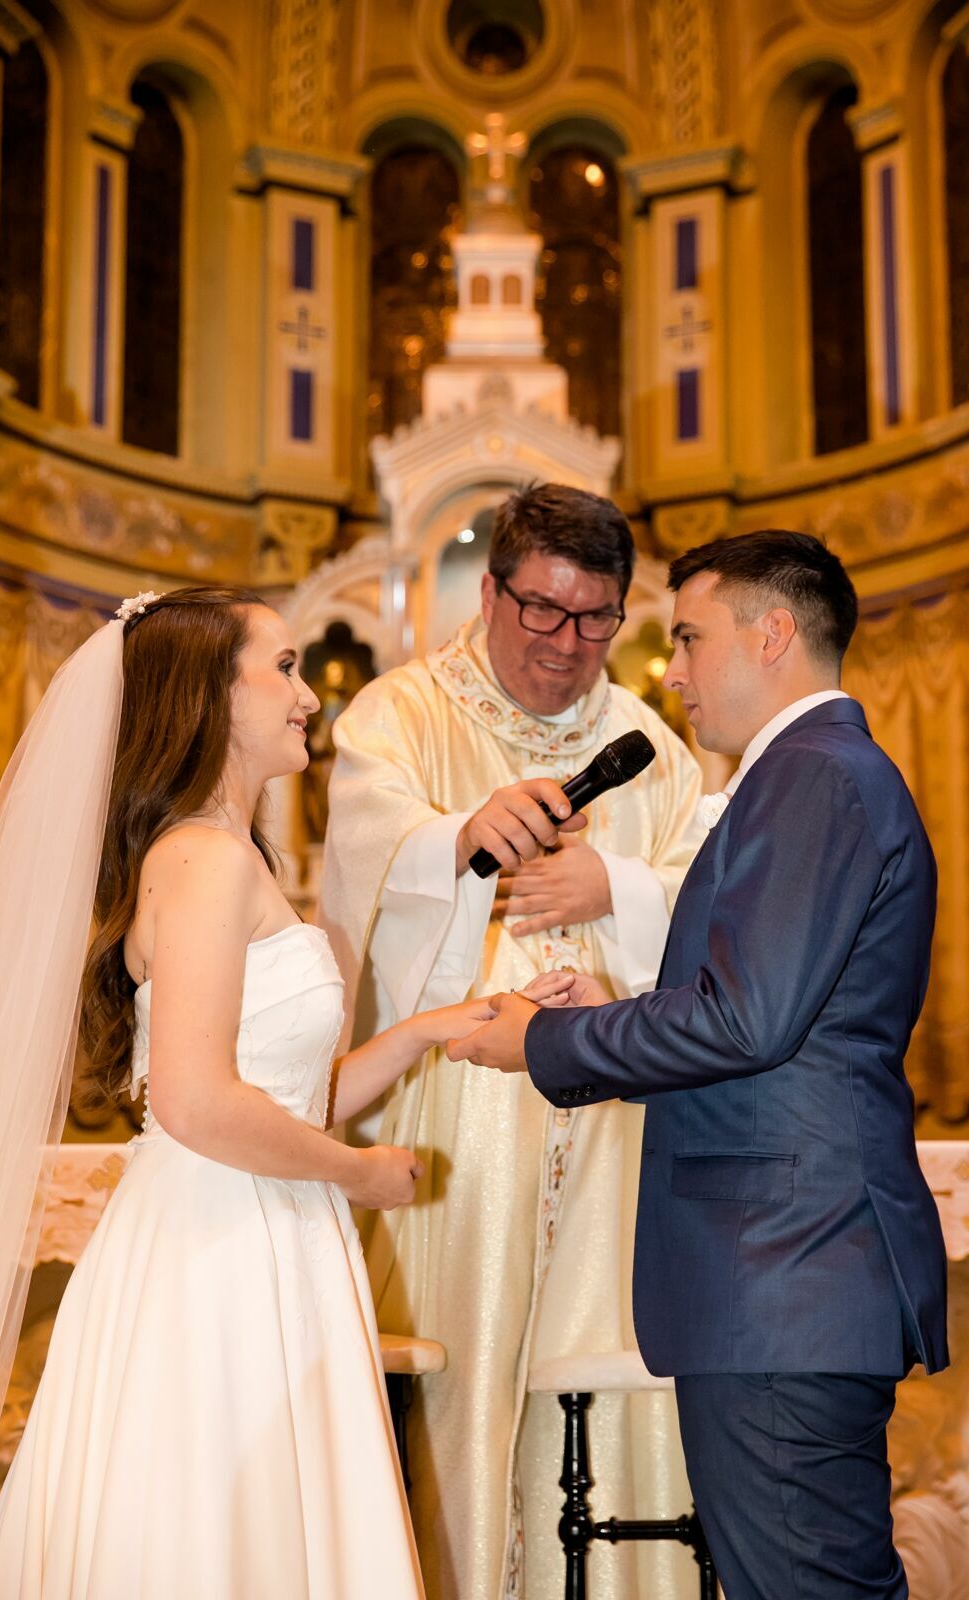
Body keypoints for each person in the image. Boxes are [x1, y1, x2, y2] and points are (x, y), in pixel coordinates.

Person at [0, 584, 566, 1598]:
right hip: (217, 1246)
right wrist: (359, 1172)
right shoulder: (201, 859)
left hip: (254, 1219)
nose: (308, 697)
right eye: (281, 668)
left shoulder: (223, 853)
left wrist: (428, 1029)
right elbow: (197, 1103)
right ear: (208, 693)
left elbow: (278, 1095)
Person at [450, 530, 950, 1600]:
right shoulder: (812, 775)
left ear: (771, 633)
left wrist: (537, 1043)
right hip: (782, 1273)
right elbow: (769, 1023)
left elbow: (746, 1022)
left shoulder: (812, 775)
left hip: (784, 1271)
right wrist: (617, 1015)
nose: (665, 669)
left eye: (685, 636)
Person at [319, 483, 704, 1600]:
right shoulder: (399, 714)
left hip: (609, 1124)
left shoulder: (645, 741)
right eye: (540, 610)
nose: (565, 645)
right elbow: (358, 864)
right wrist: (454, 839)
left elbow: (706, 898)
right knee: (466, 1364)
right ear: (487, 592)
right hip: (460, 1114)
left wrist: (616, 885)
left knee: (609, 1360)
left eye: (594, 620)